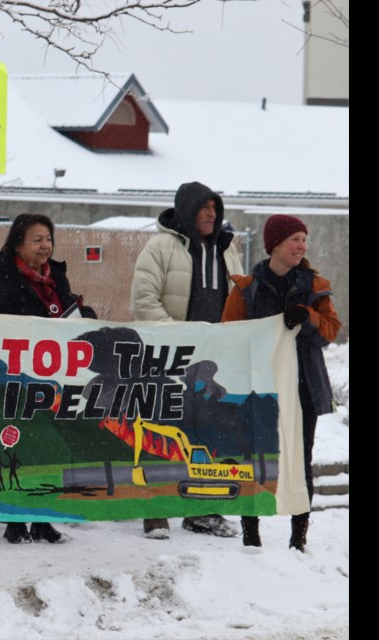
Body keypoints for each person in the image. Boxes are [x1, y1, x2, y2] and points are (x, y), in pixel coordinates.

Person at [129, 181, 243, 540]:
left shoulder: (227, 249)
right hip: (168, 359)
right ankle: (155, 511)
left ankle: (202, 511)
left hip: (212, 362)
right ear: (187, 210)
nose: (211, 213)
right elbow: (143, 302)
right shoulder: (160, 246)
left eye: (215, 207)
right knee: (160, 435)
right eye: (204, 207)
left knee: (206, 437)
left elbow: (238, 301)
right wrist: (179, 341)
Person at [221, 214, 341, 551]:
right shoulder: (246, 288)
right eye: (295, 239)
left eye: (305, 239)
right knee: (252, 459)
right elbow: (229, 334)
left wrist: (309, 317)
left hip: (304, 387)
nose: (302, 246)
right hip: (258, 389)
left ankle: (298, 538)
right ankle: (251, 535)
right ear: (275, 244)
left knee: (301, 460)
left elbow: (330, 331)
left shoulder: (315, 286)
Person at [0, 213, 97, 544]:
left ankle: (44, 515)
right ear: (18, 242)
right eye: (37, 239)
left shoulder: (57, 275)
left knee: (50, 445)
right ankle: (14, 517)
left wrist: (83, 316)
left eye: (48, 239)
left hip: (53, 376)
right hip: (16, 375)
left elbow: (66, 311)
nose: (45, 246)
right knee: (17, 444)